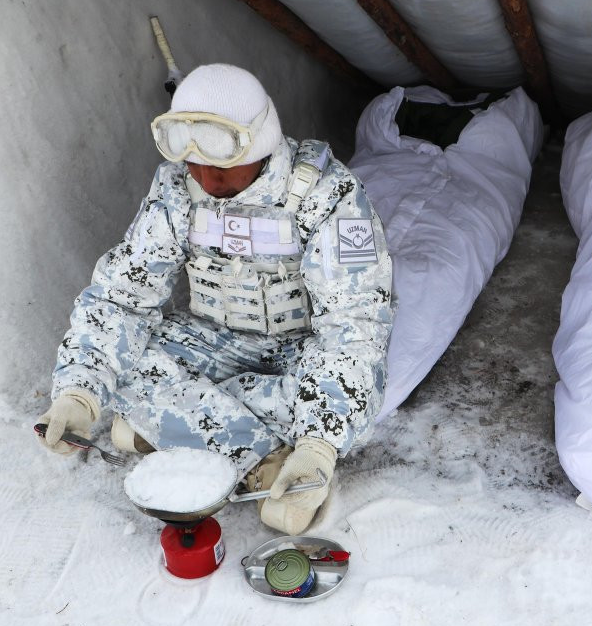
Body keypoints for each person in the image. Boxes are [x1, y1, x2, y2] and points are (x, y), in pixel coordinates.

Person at [36, 64, 394, 534]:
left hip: (298, 351)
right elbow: (122, 297)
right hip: (207, 339)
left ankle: (174, 429)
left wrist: (318, 446)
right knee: (121, 371)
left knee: (343, 391)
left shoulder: (329, 194)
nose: (206, 177)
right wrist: (78, 393)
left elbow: (354, 324)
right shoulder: (174, 190)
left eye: (221, 164)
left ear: (259, 144)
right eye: (193, 163)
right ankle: (262, 460)